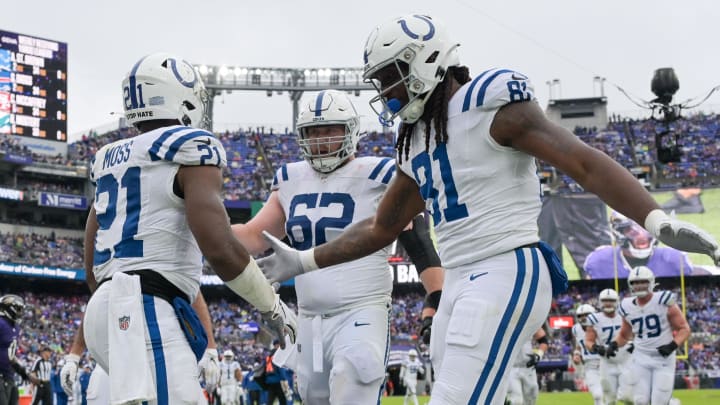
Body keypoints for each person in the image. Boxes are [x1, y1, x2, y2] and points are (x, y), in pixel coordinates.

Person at [257, 13, 720, 404]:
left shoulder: (490, 102)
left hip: (506, 264)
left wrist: (656, 220)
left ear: (427, 61)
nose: (387, 91)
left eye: (391, 76)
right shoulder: (416, 137)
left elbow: (583, 163)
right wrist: (303, 260)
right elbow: (382, 228)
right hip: (460, 273)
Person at [81, 52, 295, 405]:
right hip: (145, 308)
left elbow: (90, 265)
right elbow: (219, 248)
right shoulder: (190, 146)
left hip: (105, 308)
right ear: (181, 98)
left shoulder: (107, 159)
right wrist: (271, 304)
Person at [231, 89, 443, 404]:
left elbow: (417, 236)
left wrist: (436, 297)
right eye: (313, 132)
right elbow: (251, 235)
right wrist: (201, 231)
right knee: (314, 397)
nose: (320, 139)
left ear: (350, 130)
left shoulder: (379, 173)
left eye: (330, 130)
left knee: (353, 377)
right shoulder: (290, 178)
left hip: (362, 309)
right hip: (310, 319)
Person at [603, 266, 690, 405]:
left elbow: (684, 329)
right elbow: (625, 335)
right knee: (641, 401)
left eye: (642, 282)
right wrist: (614, 344)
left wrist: (672, 346)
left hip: (663, 359)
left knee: (659, 402)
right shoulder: (626, 305)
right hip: (640, 358)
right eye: (635, 283)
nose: (639, 286)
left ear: (651, 282)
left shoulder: (663, 300)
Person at [584, 212, 694, 279]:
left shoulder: (674, 259)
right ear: (618, 232)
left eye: (646, 228)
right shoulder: (599, 261)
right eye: (631, 230)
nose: (642, 236)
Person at [583, 289, 634, 405]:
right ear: (600, 302)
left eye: (611, 300)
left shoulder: (625, 316)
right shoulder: (594, 319)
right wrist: (596, 348)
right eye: (605, 301)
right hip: (607, 362)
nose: (608, 303)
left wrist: (634, 344)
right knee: (609, 400)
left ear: (616, 301)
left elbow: (638, 334)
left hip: (626, 360)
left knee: (627, 397)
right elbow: (588, 341)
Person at [0, 294, 39, 405]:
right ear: (8, 308)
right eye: (18, 309)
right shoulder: (1, 323)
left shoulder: (15, 327)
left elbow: (10, 356)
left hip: (9, 376)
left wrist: (24, 373)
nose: (21, 312)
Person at [505, 328, 548, 405]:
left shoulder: (530, 320)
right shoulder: (504, 322)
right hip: (511, 367)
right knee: (516, 400)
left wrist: (538, 355)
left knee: (531, 399)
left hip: (528, 366)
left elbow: (544, 340)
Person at [571, 304, 603, 405]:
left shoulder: (601, 325)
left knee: (612, 393)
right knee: (597, 395)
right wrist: (577, 353)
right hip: (590, 364)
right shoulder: (576, 329)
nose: (583, 317)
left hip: (606, 362)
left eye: (587, 314)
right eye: (580, 315)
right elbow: (579, 344)